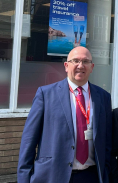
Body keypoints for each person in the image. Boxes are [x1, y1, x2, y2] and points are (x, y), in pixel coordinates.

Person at [17, 46, 112, 183]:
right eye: (76, 61)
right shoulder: (46, 94)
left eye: (85, 61)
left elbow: (107, 141)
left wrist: (106, 173)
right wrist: (24, 178)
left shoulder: (103, 97)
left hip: (92, 176)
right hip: (53, 175)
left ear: (92, 67)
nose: (80, 65)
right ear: (66, 66)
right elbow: (29, 140)